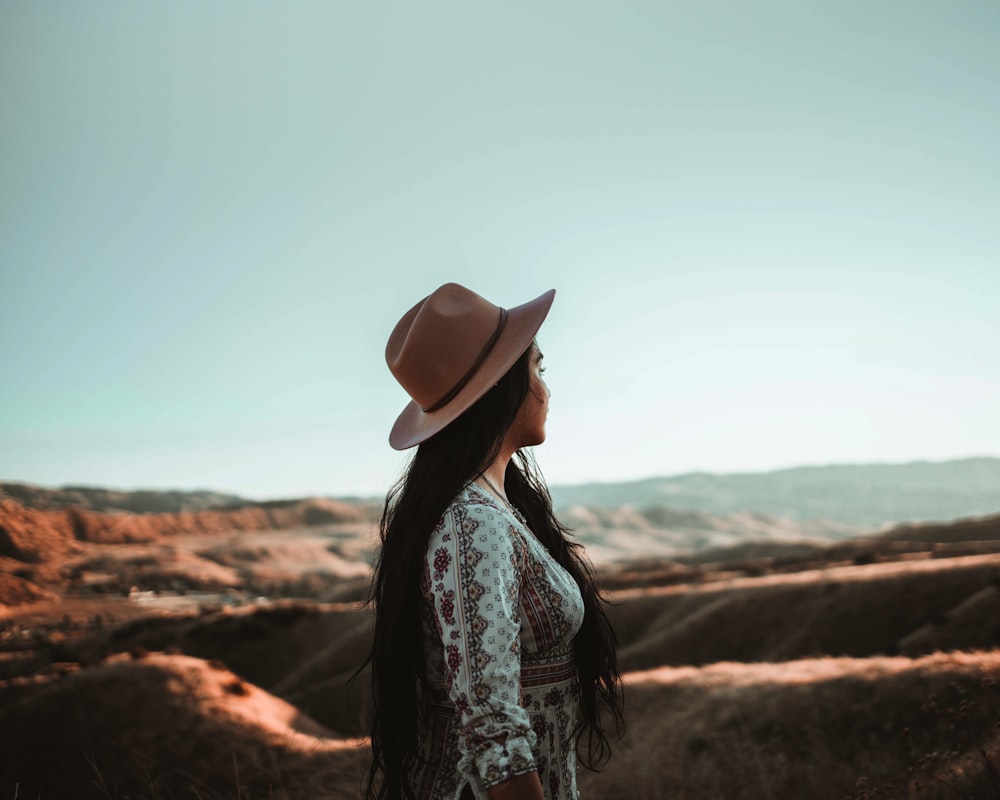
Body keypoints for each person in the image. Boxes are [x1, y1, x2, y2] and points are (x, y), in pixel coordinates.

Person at [364, 282, 623, 800]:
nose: (546, 388)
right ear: (503, 386)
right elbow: (491, 726)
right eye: (538, 368)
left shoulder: (497, 509)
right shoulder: (471, 522)